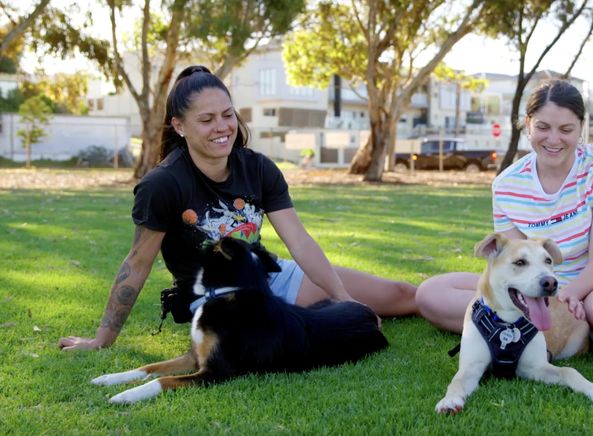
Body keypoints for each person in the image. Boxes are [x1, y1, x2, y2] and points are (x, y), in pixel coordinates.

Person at [58, 65, 417, 351]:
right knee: (278, 338)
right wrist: (101, 339)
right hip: (216, 298)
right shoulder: (162, 184)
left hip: (270, 277)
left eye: (227, 115)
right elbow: (136, 265)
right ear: (179, 126)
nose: (222, 127)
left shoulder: (258, 168)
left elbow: (300, 241)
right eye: (207, 119)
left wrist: (344, 300)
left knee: (401, 295)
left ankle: (463, 301)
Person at [415, 80, 593, 389]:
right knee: (432, 292)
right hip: (536, 294)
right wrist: (538, 300)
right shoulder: (506, 184)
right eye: (543, 127)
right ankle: (566, 332)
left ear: (581, 127)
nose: (553, 139)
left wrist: (570, 294)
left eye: (566, 130)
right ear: (527, 124)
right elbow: (511, 261)